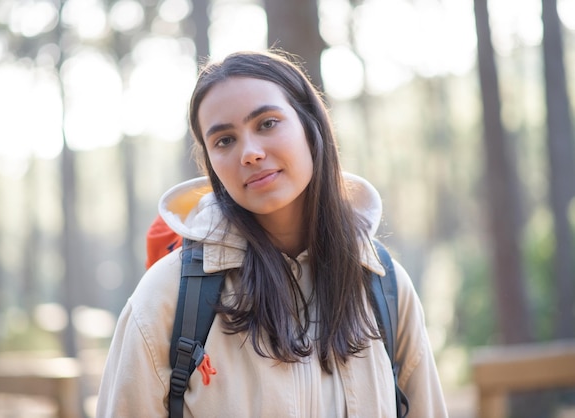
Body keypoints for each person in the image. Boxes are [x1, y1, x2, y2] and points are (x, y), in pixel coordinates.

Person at [96, 50, 448, 418]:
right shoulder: (166, 296)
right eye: (224, 141)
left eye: (267, 123)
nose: (249, 153)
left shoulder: (383, 284)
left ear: (311, 126)